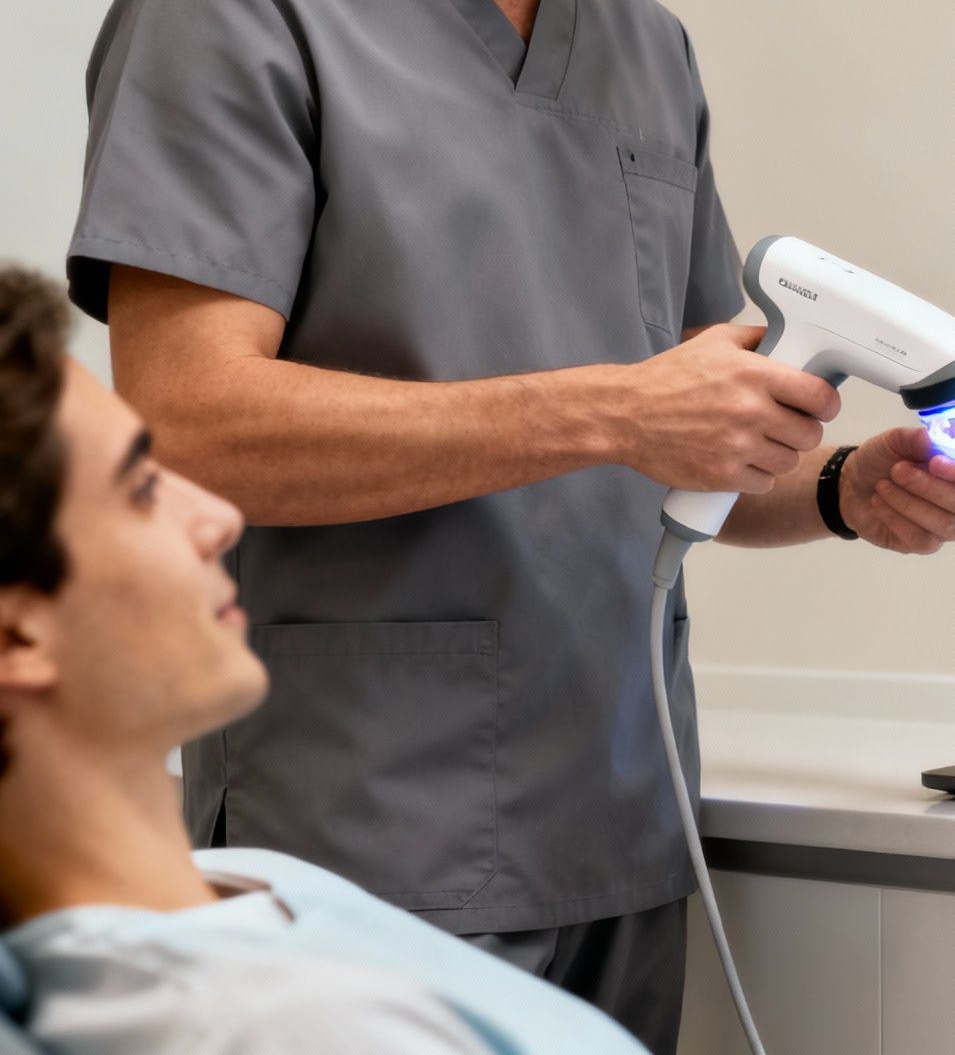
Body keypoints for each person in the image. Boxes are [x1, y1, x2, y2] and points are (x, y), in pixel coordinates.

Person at [67, 0, 955, 1046]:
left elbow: (693, 434)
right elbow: (186, 426)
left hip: (624, 824)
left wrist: (838, 488)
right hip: (364, 830)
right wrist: (610, 412)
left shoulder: (642, 42)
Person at [0, 266, 647, 1053]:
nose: (217, 517)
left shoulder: (259, 886)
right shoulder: (271, 1026)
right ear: (17, 636)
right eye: (141, 486)